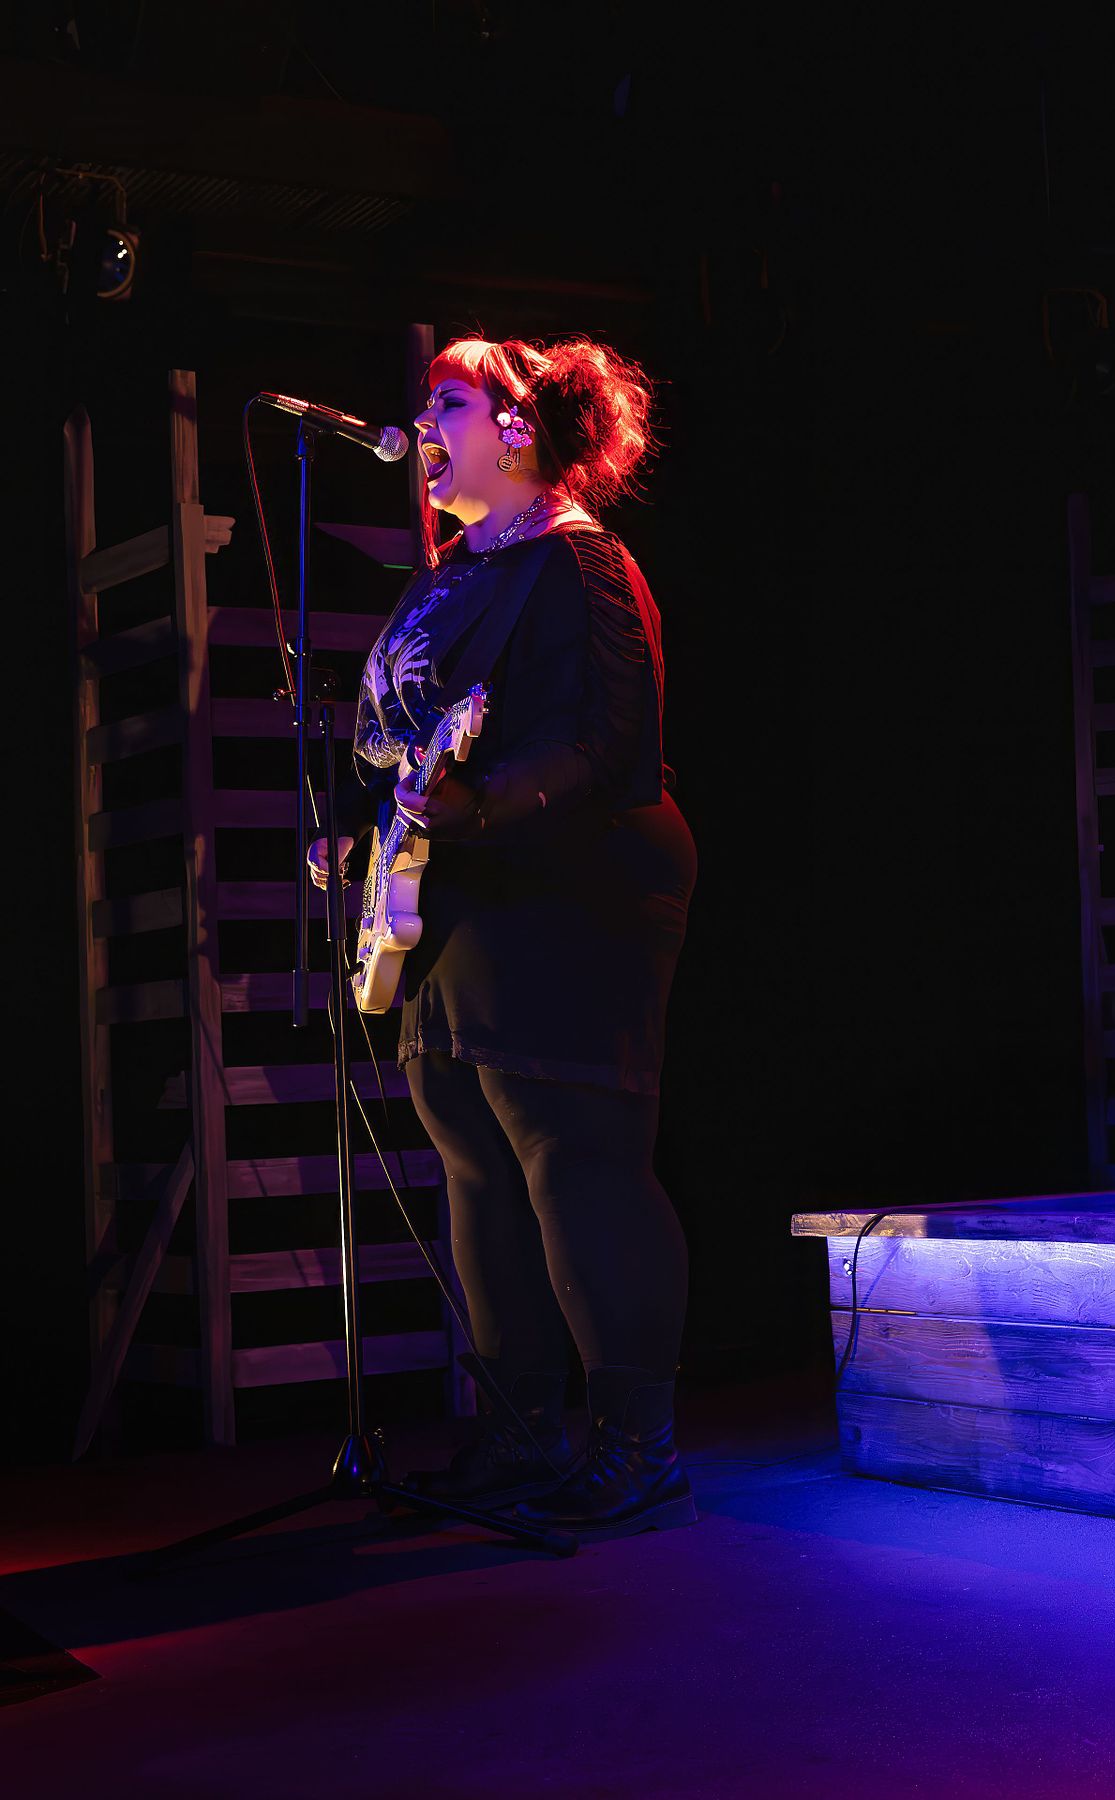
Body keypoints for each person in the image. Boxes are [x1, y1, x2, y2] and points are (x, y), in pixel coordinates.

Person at [307, 335, 697, 1541]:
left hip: (567, 883)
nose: (424, 426)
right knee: (474, 1159)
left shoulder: (580, 563)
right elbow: (401, 734)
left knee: (572, 1152)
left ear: (521, 428)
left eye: (450, 403)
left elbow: (605, 744)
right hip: (457, 890)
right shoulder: (448, 576)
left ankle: (637, 1449)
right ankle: (522, 1432)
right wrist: (362, 836)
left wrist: (482, 809)